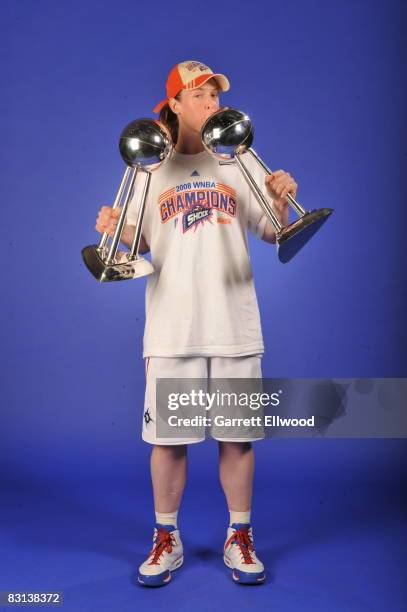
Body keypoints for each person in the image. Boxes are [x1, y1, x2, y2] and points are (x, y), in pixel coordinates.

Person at [95, 60, 298, 587]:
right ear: (174, 106)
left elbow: (276, 234)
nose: (211, 101)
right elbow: (134, 248)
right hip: (172, 325)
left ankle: (240, 534)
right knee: (169, 440)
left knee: (237, 439)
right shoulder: (147, 169)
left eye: (214, 93)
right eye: (199, 94)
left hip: (234, 323)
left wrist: (280, 200)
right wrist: (111, 228)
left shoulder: (237, 160)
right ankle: (167, 536)